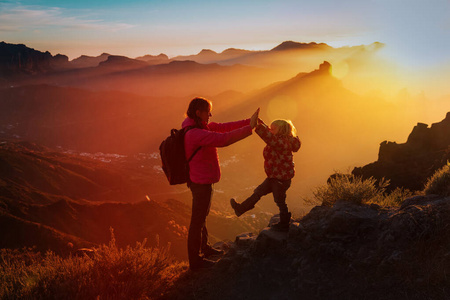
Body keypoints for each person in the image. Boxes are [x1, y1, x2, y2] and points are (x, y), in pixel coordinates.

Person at [183, 97, 259, 271]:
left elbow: (224, 127)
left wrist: (249, 121)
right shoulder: (195, 133)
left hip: (200, 180)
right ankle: (195, 262)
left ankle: (205, 248)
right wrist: (250, 128)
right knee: (197, 221)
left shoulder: (199, 127)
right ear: (198, 113)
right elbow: (224, 139)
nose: (210, 114)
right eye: (207, 111)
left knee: (201, 217)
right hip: (200, 182)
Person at [230, 118, 301, 231]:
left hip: (280, 179)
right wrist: (261, 123)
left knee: (279, 200)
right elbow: (270, 134)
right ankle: (241, 208)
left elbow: (269, 137)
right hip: (274, 176)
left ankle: (284, 223)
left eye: (273, 129)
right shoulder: (281, 139)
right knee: (259, 192)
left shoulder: (282, 142)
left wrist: (258, 127)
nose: (270, 130)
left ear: (281, 130)